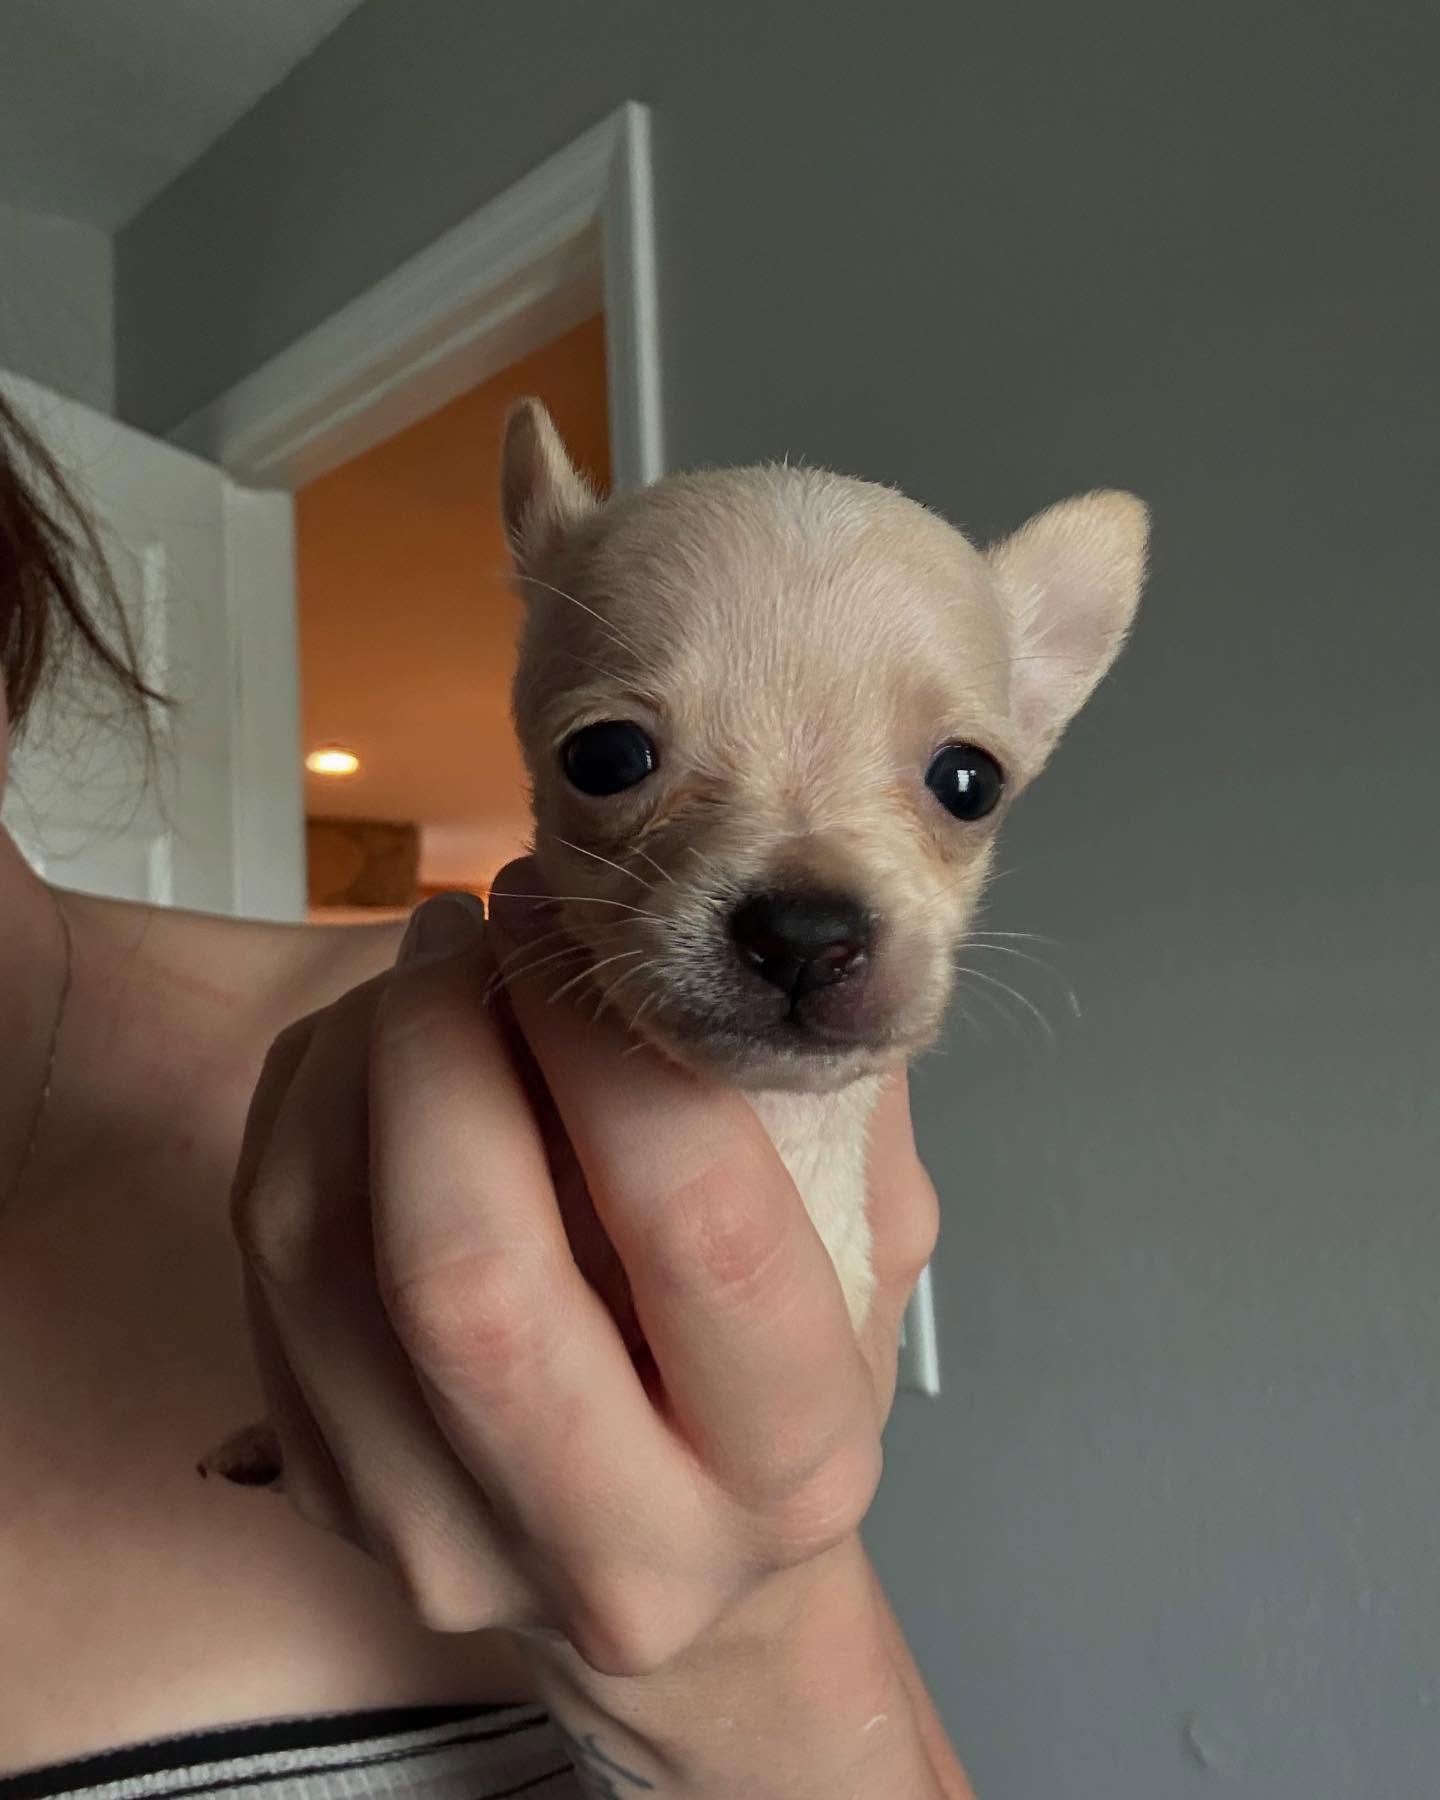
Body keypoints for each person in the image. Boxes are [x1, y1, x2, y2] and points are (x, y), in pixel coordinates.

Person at [0, 391, 975, 1799]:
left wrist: (746, 1650)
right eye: (621, 758)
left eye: (957, 783)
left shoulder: (496, 1079)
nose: (806, 892)